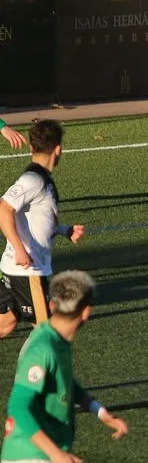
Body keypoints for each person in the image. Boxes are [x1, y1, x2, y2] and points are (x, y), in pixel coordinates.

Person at [1, 270, 129, 462]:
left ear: (51, 305)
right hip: (28, 455)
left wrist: (99, 411)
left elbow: (62, 379)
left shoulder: (57, 340)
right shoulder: (43, 348)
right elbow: (18, 407)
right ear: (86, 311)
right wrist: (56, 455)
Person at [0, 120, 84, 338]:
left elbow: (38, 220)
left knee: (6, 324)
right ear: (58, 149)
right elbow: (2, 209)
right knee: (47, 332)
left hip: (19, 269)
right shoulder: (33, 179)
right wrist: (19, 249)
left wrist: (65, 230)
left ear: (31, 147)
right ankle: (36, 372)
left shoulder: (41, 179)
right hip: (28, 271)